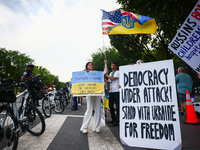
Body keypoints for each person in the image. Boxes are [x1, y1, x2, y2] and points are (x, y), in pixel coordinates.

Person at [80, 62, 102, 134]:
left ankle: (97, 127)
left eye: (92, 64)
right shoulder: (84, 74)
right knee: (89, 109)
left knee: (98, 109)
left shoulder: (97, 73)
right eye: (89, 65)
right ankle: (84, 127)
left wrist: (105, 64)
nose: (91, 66)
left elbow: (103, 76)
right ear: (87, 67)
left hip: (97, 93)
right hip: (89, 93)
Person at [104, 62, 120, 126]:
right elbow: (109, 82)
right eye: (112, 65)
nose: (112, 66)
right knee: (110, 106)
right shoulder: (111, 73)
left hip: (117, 91)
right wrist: (103, 78)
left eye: (114, 65)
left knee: (117, 106)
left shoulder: (118, 72)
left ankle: (117, 120)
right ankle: (113, 119)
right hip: (111, 91)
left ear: (116, 66)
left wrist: (106, 75)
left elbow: (113, 79)